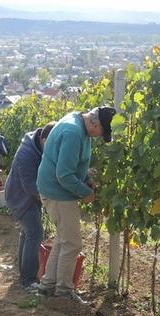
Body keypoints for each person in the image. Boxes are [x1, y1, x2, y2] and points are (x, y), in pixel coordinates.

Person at [35, 106, 116, 301]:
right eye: (101, 132)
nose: (98, 137)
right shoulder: (73, 132)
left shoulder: (77, 121)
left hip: (53, 190)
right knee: (72, 244)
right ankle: (63, 292)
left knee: (64, 240)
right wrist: (85, 192)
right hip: (58, 194)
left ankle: (47, 285)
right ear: (94, 123)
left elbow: (69, 163)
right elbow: (64, 175)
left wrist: (85, 177)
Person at [4, 122, 56, 289]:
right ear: (42, 138)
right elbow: (29, 185)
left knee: (27, 233)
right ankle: (29, 280)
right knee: (35, 232)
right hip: (20, 197)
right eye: (51, 143)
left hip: (29, 197)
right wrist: (51, 195)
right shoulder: (26, 153)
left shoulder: (40, 146)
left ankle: (24, 275)